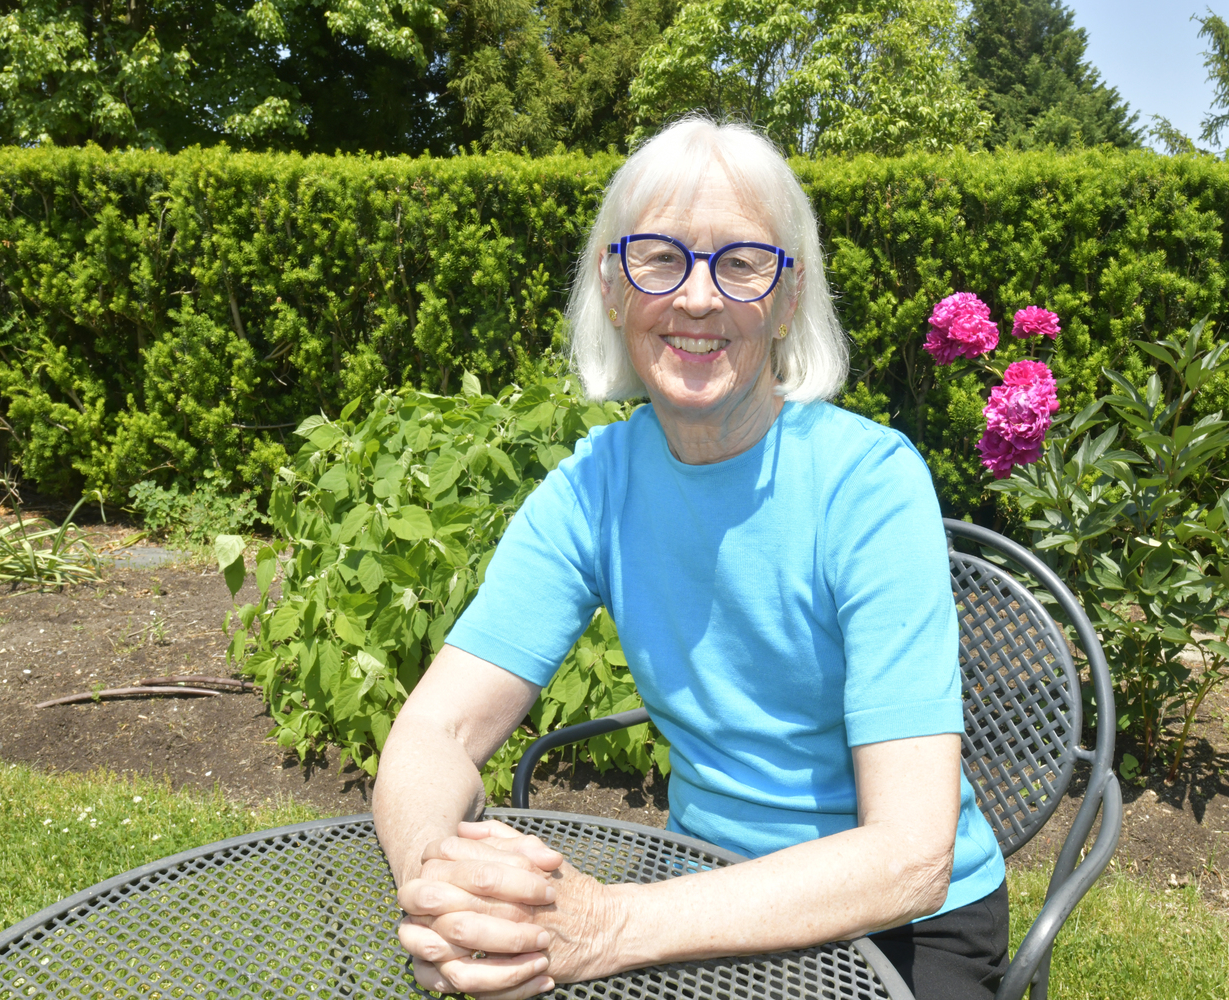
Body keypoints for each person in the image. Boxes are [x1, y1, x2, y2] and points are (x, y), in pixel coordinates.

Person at [372, 117, 1008, 1000]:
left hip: (901, 929)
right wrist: (441, 896)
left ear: (787, 299)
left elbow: (910, 856)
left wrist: (612, 926)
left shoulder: (868, 484)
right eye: (660, 258)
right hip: (701, 887)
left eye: (742, 262)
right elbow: (431, 734)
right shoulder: (593, 489)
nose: (698, 299)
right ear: (613, 287)